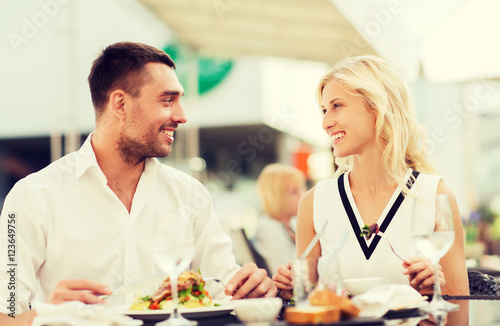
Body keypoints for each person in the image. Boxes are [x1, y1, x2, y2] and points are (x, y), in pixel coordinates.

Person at [0, 41, 276, 325]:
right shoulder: (31, 197)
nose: (181, 116)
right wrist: (46, 317)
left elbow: (224, 289)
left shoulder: (191, 194)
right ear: (120, 104)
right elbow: (5, 314)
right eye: (167, 100)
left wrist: (251, 290)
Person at [272, 55, 469, 299]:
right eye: (324, 110)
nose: (325, 122)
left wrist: (436, 293)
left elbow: (459, 313)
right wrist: (287, 292)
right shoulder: (314, 202)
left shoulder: (436, 197)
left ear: (377, 107)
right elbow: (306, 303)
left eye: (337, 106)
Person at [252, 163, 306, 274]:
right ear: (277, 198)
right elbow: (283, 272)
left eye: (301, 188)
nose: (303, 195)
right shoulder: (268, 229)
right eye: (294, 192)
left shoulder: (291, 223)